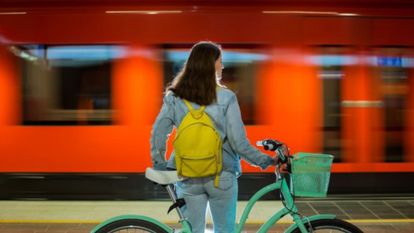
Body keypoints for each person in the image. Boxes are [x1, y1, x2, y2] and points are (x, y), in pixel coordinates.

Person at [150, 41, 276, 233]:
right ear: (211, 64)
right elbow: (238, 143)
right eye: (220, 61)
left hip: (186, 175)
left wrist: (160, 164)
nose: (222, 66)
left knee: (192, 231)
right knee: (225, 230)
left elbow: (159, 132)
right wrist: (266, 160)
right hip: (222, 176)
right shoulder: (226, 98)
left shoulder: (174, 97)